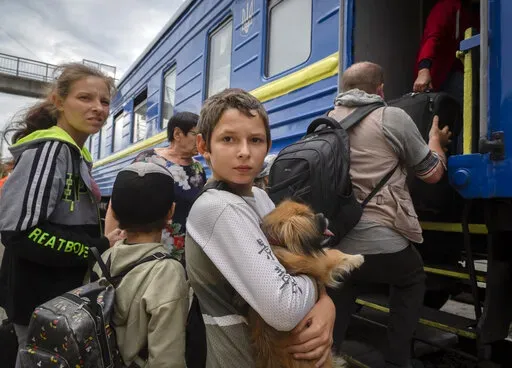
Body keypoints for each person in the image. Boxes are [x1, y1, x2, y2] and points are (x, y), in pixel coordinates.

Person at [185, 88, 336, 368]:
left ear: (267, 146)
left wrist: (327, 302)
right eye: (228, 139)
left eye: (255, 140)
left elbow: (293, 264)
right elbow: (285, 308)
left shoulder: (260, 197)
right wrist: (320, 289)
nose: (244, 152)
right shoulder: (218, 207)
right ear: (203, 146)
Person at [0, 63, 124, 368]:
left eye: (104, 101)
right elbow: (19, 232)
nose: (98, 108)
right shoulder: (51, 151)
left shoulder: (74, 154)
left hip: (56, 300)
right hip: (38, 303)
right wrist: (97, 246)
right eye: (85, 98)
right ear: (58, 101)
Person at [328, 62, 452, 368]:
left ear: (343, 91)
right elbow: (432, 173)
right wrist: (436, 141)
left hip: (336, 240)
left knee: (343, 283)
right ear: (380, 89)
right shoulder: (391, 117)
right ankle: (398, 360)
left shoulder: (326, 122)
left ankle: (325, 355)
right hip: (383, 242)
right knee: (411, 277)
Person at [92, 162, 188, 367]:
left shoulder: (105, 258)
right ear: (171, 212)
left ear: (114, 214)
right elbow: (166, 358)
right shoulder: (168, 271)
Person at [105, 111, 206, 260]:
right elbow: (119, 199)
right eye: (195, 134)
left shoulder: (198, 169)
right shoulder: (149, 159)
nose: (200, 140)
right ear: (177, 134)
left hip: (187, 250)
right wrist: (110, 243)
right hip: (149, 249)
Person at [413, 0, 479, 105]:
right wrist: (423, 70)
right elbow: (432, 38)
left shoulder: (473, 12)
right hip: (435, 75)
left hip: (458, 71)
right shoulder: (446, 7)